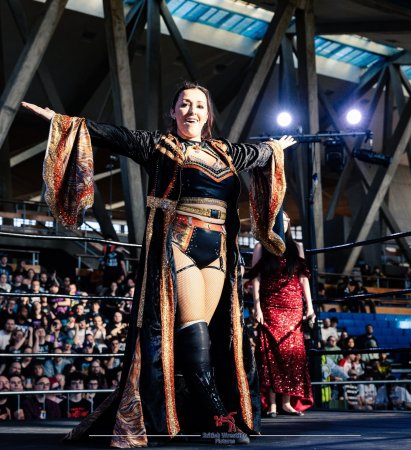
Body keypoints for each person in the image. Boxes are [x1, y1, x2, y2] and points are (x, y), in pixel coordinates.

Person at [22, 80, 293, 446]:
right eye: (185, 104)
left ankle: (198, 416)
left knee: (205, 336)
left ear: (208, 115)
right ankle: (219, 418)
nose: (192, 111)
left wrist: (275, 148)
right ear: (173, 111)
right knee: (194, 331)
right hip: (179, 242)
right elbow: (113, 135)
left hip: (218, 251)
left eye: (199, 105)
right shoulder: (158, 146)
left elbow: (258, 154)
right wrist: (61, 121)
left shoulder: (227, 152)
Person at [250, 212, 314, 417]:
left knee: (291, 354)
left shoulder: (297, 247)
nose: (283, 223)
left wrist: (310, 307)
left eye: (286, 220)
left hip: (293, 306)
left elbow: (303, 278)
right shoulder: (261, 247)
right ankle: (272, 404)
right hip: (270, 305)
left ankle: (286, 402)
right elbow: (256, 278)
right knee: (270, 352)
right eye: (280, 220)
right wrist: (257, 307)